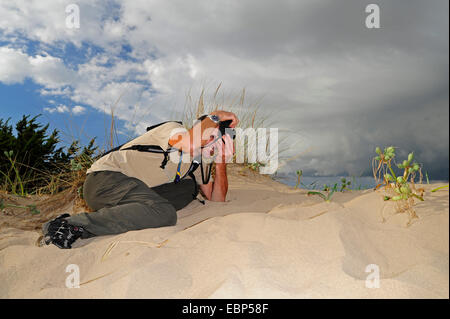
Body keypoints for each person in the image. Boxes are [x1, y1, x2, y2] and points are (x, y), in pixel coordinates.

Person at [42, 110, 239, 249]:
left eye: (221, 139)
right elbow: (188, 143)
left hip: (130, 197)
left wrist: (221, 163)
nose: (216, 141)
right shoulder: (174, 130)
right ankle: (71, 225)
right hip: (104, 179)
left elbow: (217, 199)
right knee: (165, 213)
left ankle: (102, 219)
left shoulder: (198, 165)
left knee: (188, 189)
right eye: (214, 135)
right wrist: (217, 116)